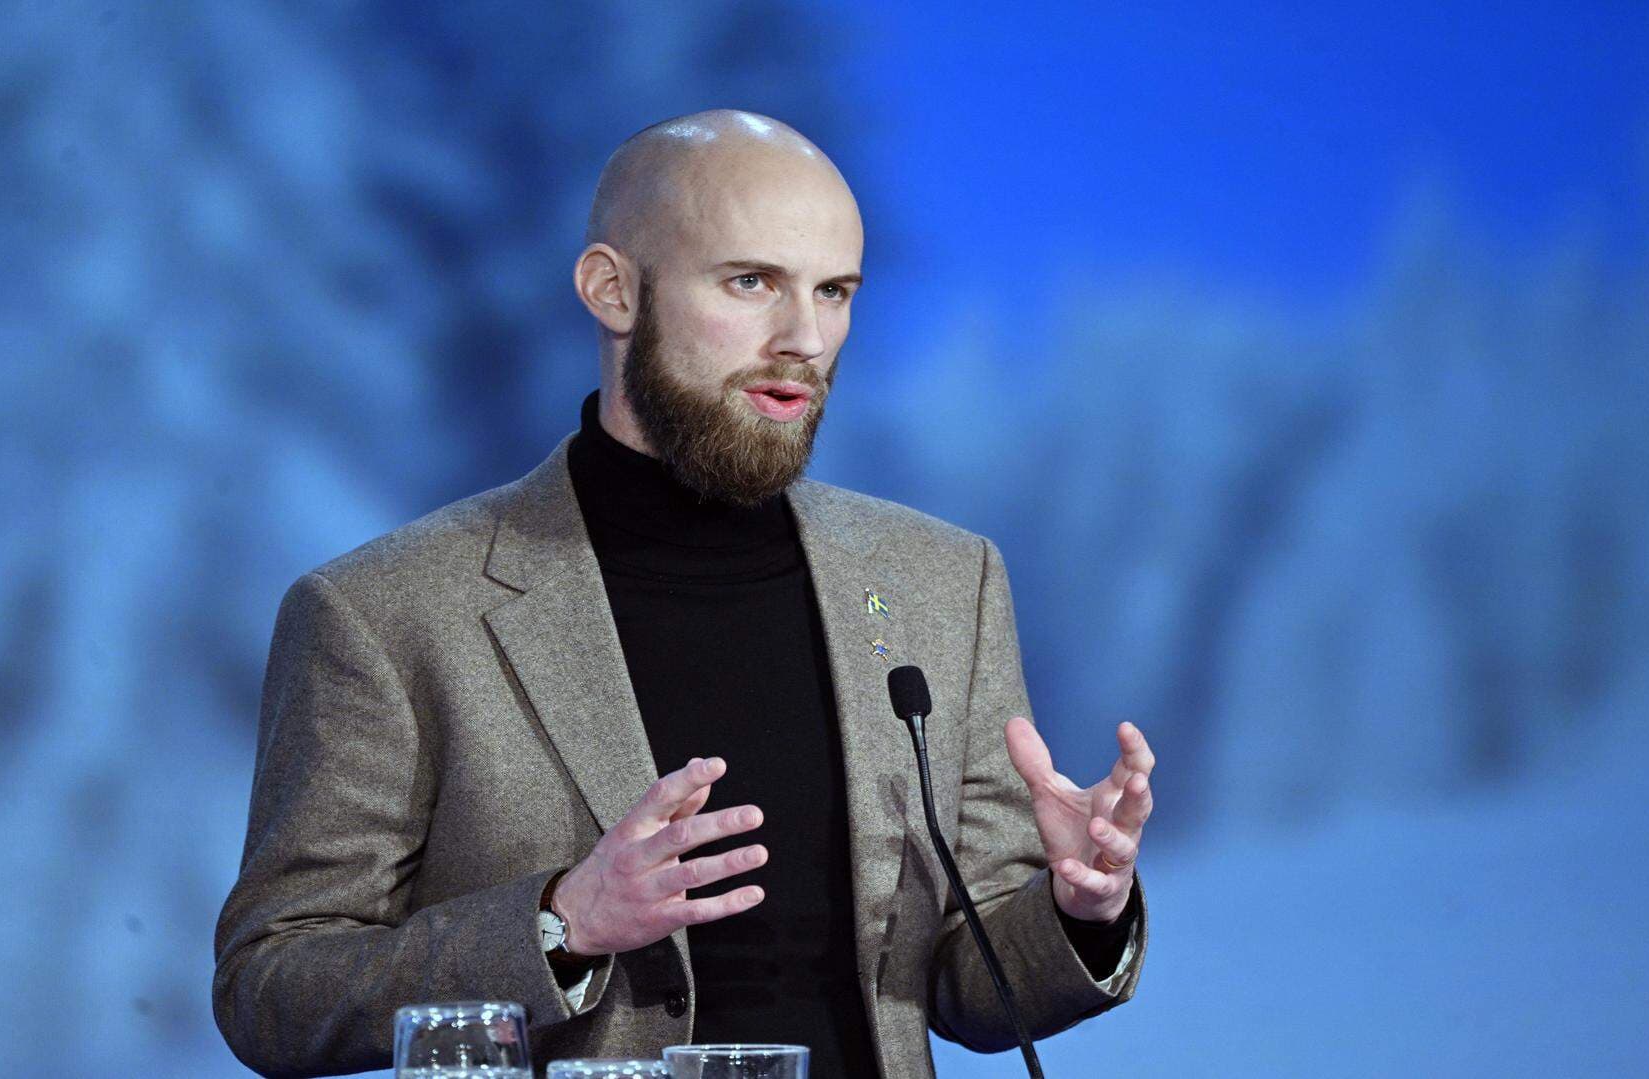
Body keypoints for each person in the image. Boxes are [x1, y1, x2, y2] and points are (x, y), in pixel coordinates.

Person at [213, 109, 1153, 1078]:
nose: (804, 337)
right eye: (752, 282)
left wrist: (1080, 906)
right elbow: (273, 986)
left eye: (834, 291)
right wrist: (561, 923)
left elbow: (974, 985)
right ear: (612, 288)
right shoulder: (388, 610)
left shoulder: (939, 581)